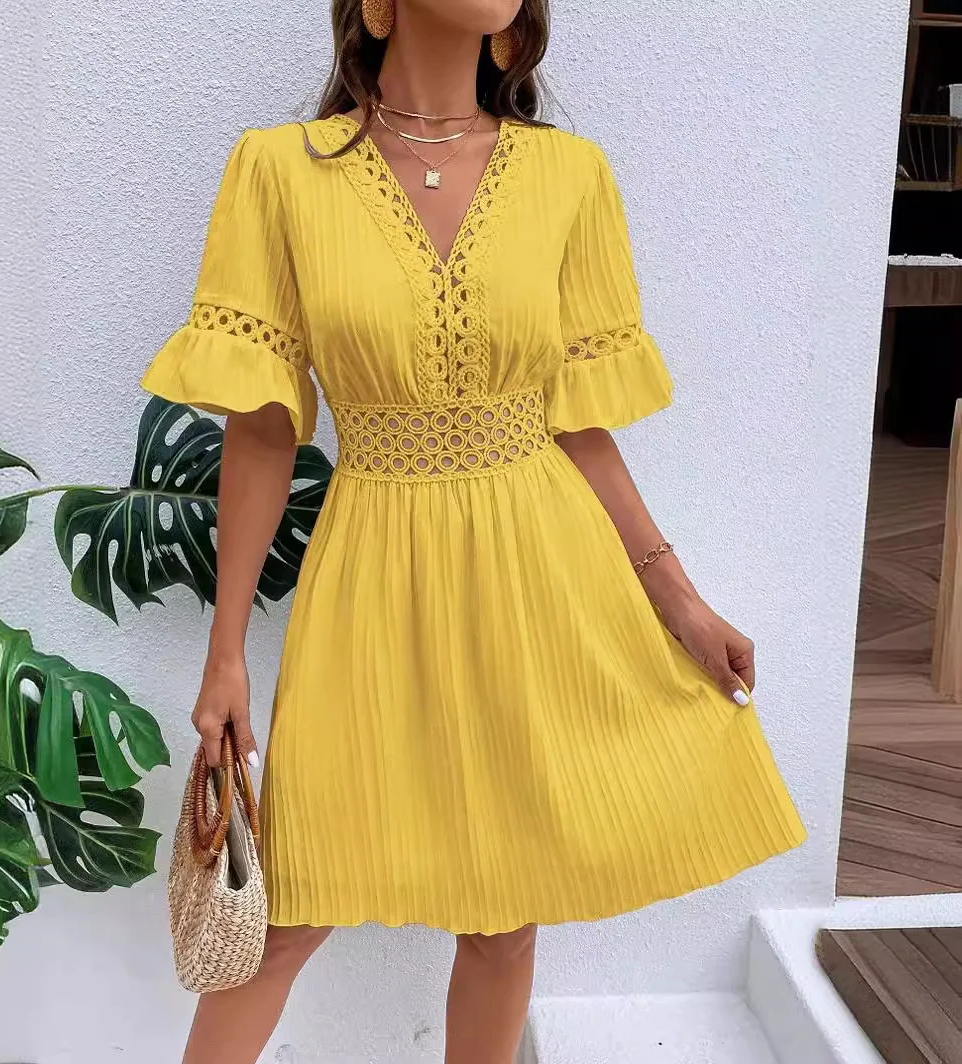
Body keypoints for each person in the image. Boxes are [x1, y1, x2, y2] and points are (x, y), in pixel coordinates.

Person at [141, 0, 808, 1060]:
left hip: (541, 570)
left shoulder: (569, 176)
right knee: (289, 908)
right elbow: (262, 429)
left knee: (503, 919)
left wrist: (678, 599)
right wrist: (226, 654)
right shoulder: (279, 171)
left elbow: (577, 426)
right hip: (372, 576)